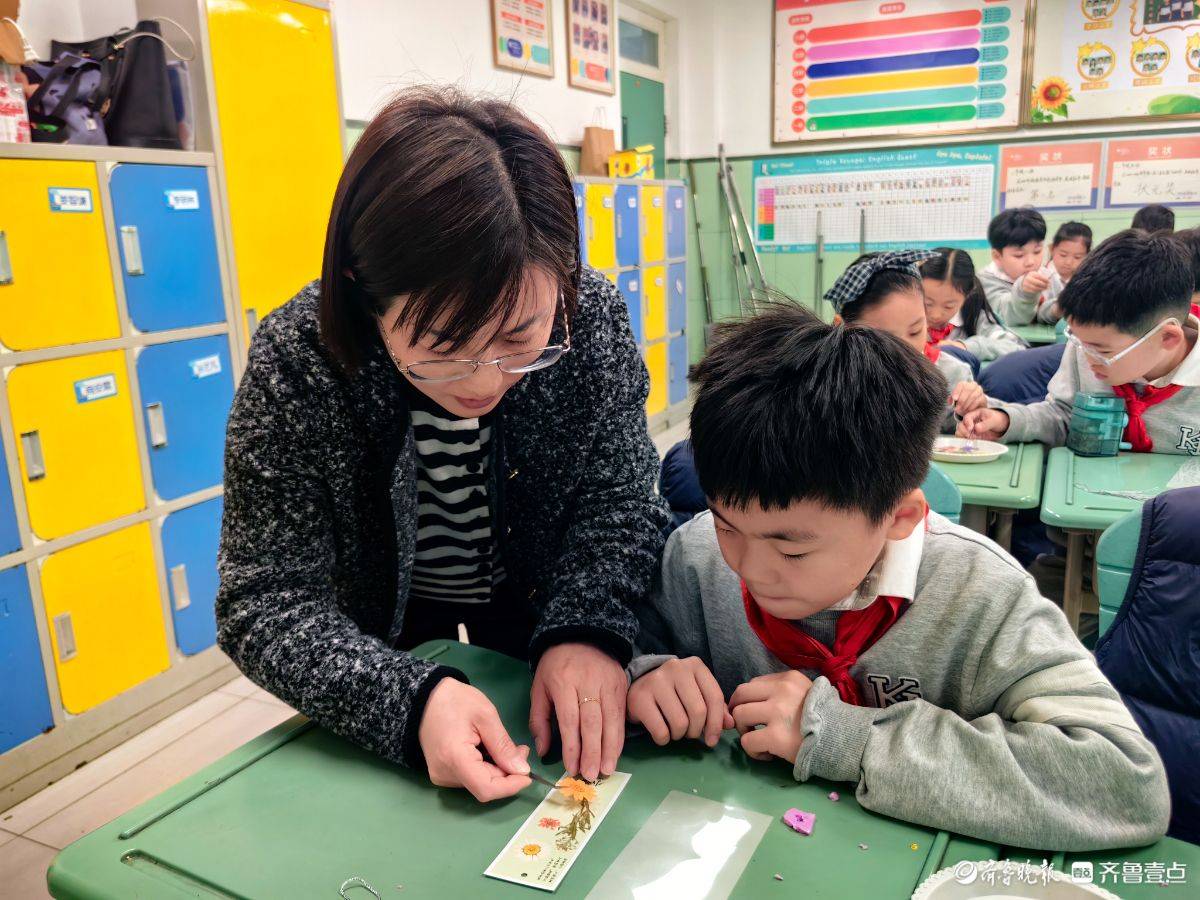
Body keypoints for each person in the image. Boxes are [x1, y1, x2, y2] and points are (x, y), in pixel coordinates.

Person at [217, 88, 670, 803]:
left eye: (521, 338)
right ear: (363, 291)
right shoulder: (298, 358)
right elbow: (263, 595)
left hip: (536, 596)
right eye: (443, 345)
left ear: (564, 275)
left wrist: (590, 625)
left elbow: (618, 499)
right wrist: (410, 698)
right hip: (380, 626)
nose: (485, 380)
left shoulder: (592, 323)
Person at [626, 305, 1170, 849]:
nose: (747, 566)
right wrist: (645, 674)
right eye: (728, 526)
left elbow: (1125, 784)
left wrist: (847, 739)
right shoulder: (697, 553)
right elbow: (629, 641)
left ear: (899, 517)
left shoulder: (980, 593)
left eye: (791, 550)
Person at [960, 229, 1199, 454]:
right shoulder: (1086, 344)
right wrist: (1007, 420)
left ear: (1167, 338)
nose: (1086, 356)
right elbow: (1064, 415)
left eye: (1101, 350)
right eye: (1078, 341)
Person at [825, 250, 986, 431]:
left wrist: (971, 413)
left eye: (915, 331)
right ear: (841, 327)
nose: (906, 352)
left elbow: (962, 423)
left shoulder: (950, 374)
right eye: (886, 340)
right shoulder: (822, 383)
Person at [921, 248, 1025, 360]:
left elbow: (1016, 347)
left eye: (948, 306)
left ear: (968, 294)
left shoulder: (974, 318)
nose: (936, 315)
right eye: (928, 304)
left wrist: (966, 346)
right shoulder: (907, 316)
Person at [978, 208, 1048, 326]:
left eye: (1037, 251)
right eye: (1019, 255)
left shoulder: (1047, 275)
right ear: (997, 256)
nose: (1031, 262)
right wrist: (1025, 292)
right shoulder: (983, 283)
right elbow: (1007, 316)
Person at [1021, 221, 1093, 325]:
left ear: (1087, 256)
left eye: (1077, 257)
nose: (1068, 262)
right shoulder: (1041, 276)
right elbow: (1036, 313)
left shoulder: (1086, 280)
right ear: (1051, 249)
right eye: (1063, 255)